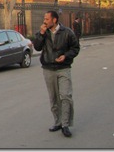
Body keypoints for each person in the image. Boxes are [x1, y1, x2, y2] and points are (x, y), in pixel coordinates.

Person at [32, 10, 80, 138]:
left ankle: (65, 124)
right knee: (53, 98)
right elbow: (36, 47)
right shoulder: (43, 32)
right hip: (48, 68)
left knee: (65, 96)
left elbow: (75, 48)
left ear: (54, 20)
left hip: (63, 68)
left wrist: (66, 56)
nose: (44, 21)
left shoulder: (67, 32)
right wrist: (41, 34)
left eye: (47, 19)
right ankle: (57, 122)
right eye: (44, 19)